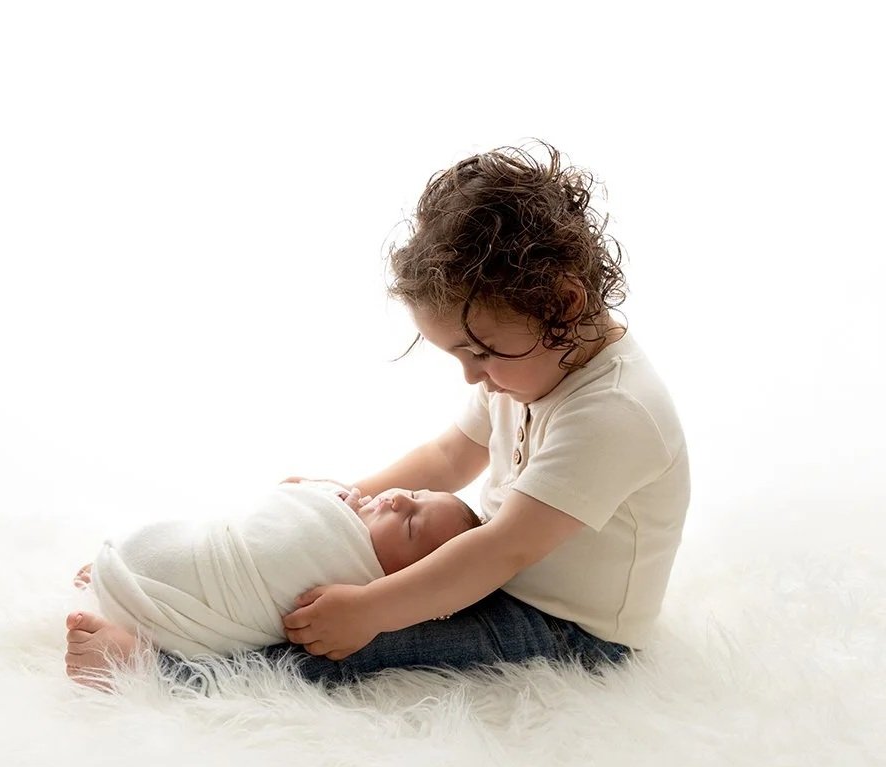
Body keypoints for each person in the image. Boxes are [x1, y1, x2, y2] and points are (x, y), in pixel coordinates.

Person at [64, 140, 690, 689]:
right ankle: (162, 594)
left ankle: (165, 675)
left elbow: (504, 550)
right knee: (302, 569)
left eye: (483, 352)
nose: (473, 375)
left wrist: (369, 612)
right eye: (460, 355)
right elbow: (447, 458)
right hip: (481, 566)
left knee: (356, 646)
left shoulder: (615, 413)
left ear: (561, 303)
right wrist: (343, 502)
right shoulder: (527, 368)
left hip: (565, 629)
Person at [66, 483, 481, 672]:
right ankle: (122, 578)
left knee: (277, 666)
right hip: (175, 551)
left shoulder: (356, 581)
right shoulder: (348, 509)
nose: (400, 499)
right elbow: (277, 509)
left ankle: (147, 660)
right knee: (208, 535)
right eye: (419, 494)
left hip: (179, 608)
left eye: (410, 525)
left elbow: (279, 562)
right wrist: (317, 494)